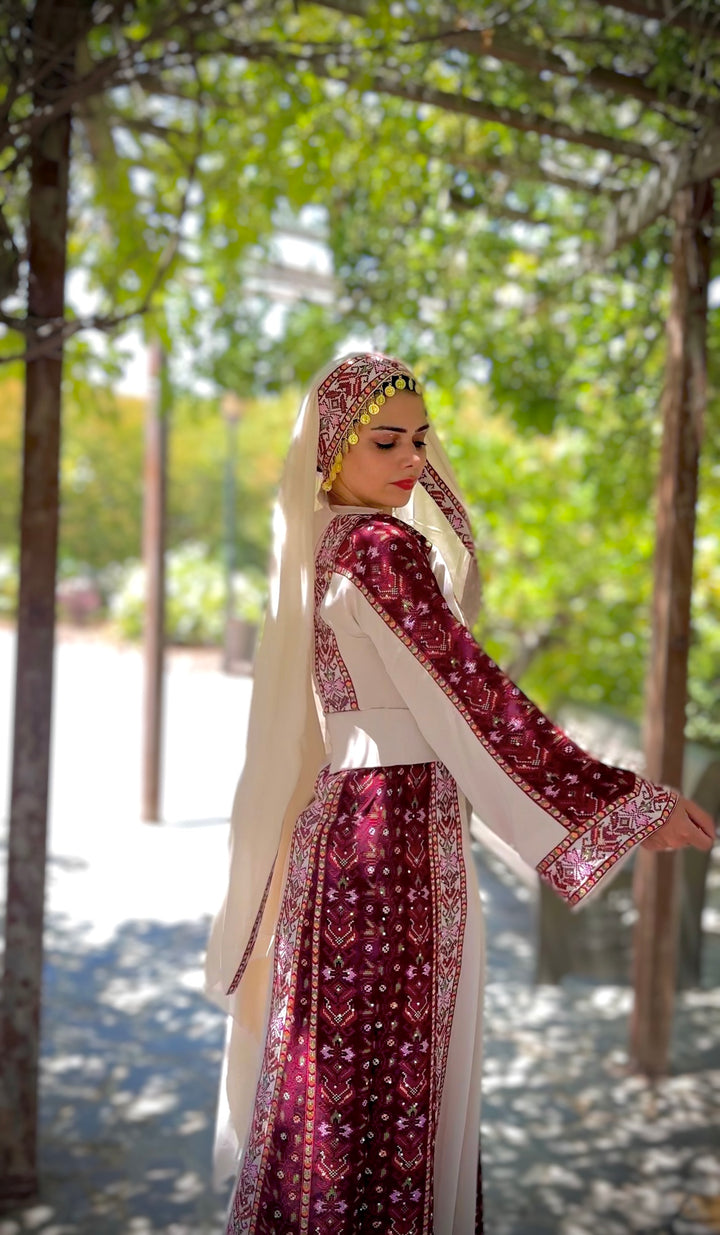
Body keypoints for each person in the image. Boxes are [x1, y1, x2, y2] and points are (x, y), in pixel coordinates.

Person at [205, 352, 715, 1235]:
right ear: (333, 446)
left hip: (340, 835)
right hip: (395, 840)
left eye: (421, 439)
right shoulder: (381, 547)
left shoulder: (325, 544)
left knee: (337, 1089)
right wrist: (621, 802)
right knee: (399, 1087)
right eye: (386, 441)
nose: (412, 458)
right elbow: (477, 698)